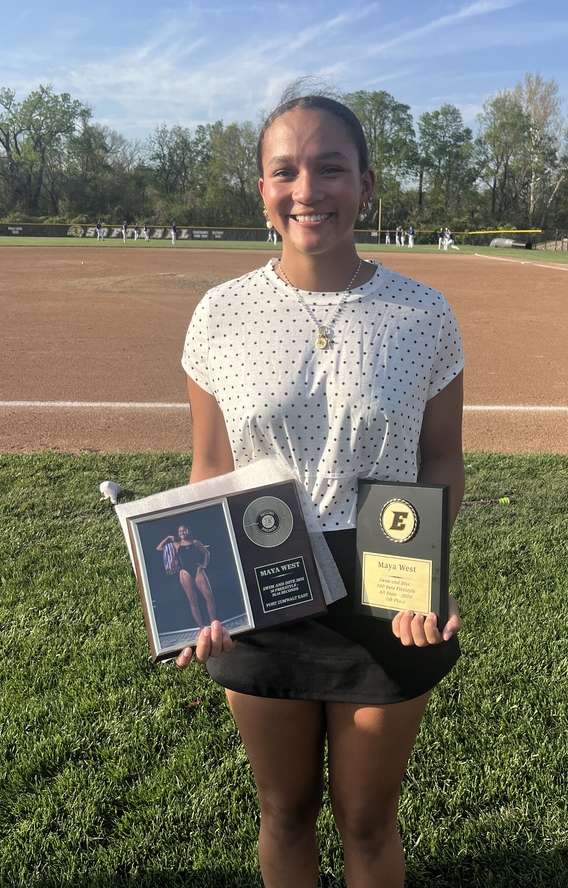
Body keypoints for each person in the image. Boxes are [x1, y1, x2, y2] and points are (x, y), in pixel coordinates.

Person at [177, 91, 464, 888]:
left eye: (331, 168)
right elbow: (211, 468)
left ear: (366, 185)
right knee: (285, 813)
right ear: (263, 190)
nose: (308, 189)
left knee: (369, 822)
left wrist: (425, 575)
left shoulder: (424, 313)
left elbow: (440, 463)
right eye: (286, 171)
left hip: (386, 584)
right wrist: (204, 596)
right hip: (263, 585)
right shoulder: (219, 314)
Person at [157, 525, 216, 628]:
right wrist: (167, 537)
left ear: (188, 531)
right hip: (185, 572)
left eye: (184, 530)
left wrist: (204, 565)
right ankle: (201, 627)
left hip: (198, 570)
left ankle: (214, 622)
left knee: (209, 596)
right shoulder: (176, 545)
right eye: (180, 531)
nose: (182, 533)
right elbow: (159, 548)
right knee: (192, 600)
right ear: (178, 533)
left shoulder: (196, 543)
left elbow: (207, 553)